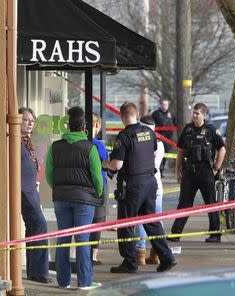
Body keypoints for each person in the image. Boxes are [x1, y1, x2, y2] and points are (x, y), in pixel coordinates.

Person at [102, 102, 176, 274]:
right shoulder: (149, 132)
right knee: (151, 221)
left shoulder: (124, 136)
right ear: (136, 114)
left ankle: (130, 261)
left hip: (132, 185)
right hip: (150, 182)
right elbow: (151, 151)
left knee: (126, 223)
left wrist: (105, 163)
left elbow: (117, 165)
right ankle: (166, 257)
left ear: (122, 116)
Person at [45, 106, 103, 290]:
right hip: (84, 200)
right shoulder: (90, 147)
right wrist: (98, 193)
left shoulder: (56, 146)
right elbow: (97, 176)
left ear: (68, 126)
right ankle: (85, 282)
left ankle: (63, 281)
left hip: (61, 198)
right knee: (82, 240)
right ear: (84, 127)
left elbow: (49, 173)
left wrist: (59, 188)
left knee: (62, 239)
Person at [169, 103, 226, 243]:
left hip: (206, 171)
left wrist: (216, 168)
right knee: (184, 203)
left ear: (204, 115)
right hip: (189, 171)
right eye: (193, 113)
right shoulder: (187, 129)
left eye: (197, 113)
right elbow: (181, 152)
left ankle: (215, 234)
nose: (194, 115)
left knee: (211, 204)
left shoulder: (211, 130)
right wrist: (177, 172)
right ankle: (175, 233)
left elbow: (222, 149)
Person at [19, 107, 52, 283]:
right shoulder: (15, 141)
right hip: (23, 191)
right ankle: (39, 272)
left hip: (31, 189)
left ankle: (34, 271)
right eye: (26, 119)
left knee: (34, 229)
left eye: (32, 120)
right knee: (40, 226)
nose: (30, 122)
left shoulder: (27, 141)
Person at [134, 115, 164, 265]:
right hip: (157, 186)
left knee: (141, 220)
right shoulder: (159, 143)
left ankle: (140, 252)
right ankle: (156, 253)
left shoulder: (143, 142)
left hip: (145, 185)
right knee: (157, 220)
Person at [89, 113, 108, 265]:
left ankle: (79, 253)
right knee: (98, 220)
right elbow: (104, 161)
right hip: (98, 186)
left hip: (82, 187)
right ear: (96, 126)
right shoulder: (98, 144)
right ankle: (93, 255)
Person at [151, 98, 176, 177]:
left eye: (166, 104)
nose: (165, 106)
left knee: (166, 155)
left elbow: (174, 124)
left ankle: (162, 170)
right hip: (159, 138)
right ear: (160, 105)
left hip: (168, 138)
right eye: (164, 104)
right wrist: (168, 118)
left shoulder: (171, 113)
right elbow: (161, 123)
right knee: (158, 154)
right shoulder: (156, 114)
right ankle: (158, 170)